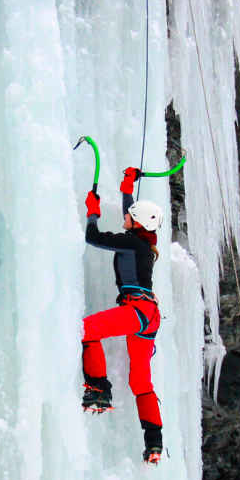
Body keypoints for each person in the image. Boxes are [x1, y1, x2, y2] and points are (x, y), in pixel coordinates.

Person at [81, 166, 165, 464]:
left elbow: (93, 237)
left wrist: (93, 211)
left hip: (137, 309)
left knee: (87, 329)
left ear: (137, 222)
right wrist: (127, 184)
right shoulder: (143, 242)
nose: (125, 217)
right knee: (141, 381)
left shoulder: (132, 242)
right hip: (149, 314)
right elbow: (134, 212)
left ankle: (99, 389)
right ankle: (154, 442)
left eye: (128, 216)